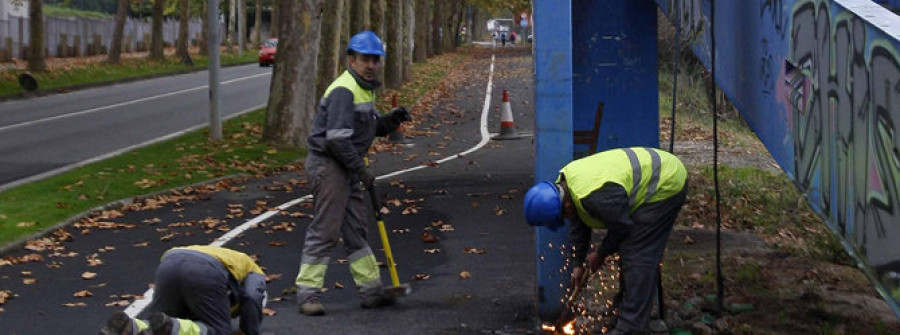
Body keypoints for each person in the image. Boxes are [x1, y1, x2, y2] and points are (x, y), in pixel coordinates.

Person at [294, 30, 412, 317]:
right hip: (330, 165)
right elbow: (337, 139)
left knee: (356, 230)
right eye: (365, 59)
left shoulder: (364, 88)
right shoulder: (344, 90)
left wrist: (388, 122)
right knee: (326, 230)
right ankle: (307, 293)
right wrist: (361, 170)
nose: (371, 65)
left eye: (375, 59)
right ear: (351, 59)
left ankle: (371, 291)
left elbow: (364, 128)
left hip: (347, 165)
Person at [524, 147, 688, 334]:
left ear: (566, 206)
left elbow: (622, 227)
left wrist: (601, 254)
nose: (566, 220)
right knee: (631, 253)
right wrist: (578, 264)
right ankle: (626, 313)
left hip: (666, 182)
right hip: (651, 180)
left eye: (564, 216)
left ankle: (631, 326)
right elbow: (579, 225)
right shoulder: (566, 188)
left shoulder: (595, 196)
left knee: (637, 255)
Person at [99, 245, 267, 335]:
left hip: (169, 262)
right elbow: (252, 297)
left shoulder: (231, 258)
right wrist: (250, 330)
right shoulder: (254, 272)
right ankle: (173, 326)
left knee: (157, 325)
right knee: (219, 331)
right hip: (205, 269)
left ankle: (129, 327)